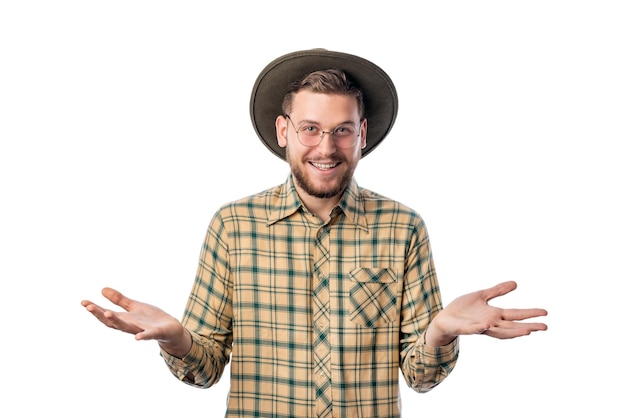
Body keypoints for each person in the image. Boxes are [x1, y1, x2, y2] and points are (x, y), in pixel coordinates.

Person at [81, 48, 548, 418]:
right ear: (284, 131)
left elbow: (419, 378)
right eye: (310, 129)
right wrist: (175, 339)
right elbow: (203, 371)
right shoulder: (233, 227)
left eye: (342, 130)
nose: (326, 148)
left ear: (362, 133)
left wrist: (440, 333)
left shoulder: (403, 228)